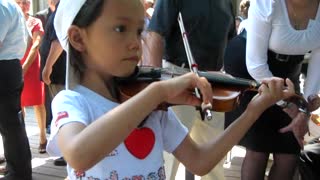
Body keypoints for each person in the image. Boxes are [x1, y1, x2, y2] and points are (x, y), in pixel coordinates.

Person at [45, 0, 298, 179]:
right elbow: (79, 154)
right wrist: (157, 92)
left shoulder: (152, 109)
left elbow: (200, 162)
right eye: (121, 28)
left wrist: (251, 113)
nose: (136, 43)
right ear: (78, 38)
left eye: (139, 30)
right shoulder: (72, 101)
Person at [225, 0, 320, 179]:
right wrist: (288, 105)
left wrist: (305, 108)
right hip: (250, 68)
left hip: (289, 70)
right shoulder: (267, 3)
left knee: (290, 151)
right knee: (258, 149)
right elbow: (256, 65)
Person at [142, 0, 236, 179]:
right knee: (169, 158)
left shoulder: (228, 3)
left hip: (214, 81)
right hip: (178, 77)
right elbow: (155, 34)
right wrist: (154, 91)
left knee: (215, 156)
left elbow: (229, 40)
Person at [0, 0, 32, 179]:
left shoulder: (2, 6)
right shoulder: (12, 6)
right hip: (10, 66)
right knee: (12, 124)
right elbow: (27, 39)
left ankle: (18, 173)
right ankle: (19, 170)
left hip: (3, 68)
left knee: (10, 125)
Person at [15, 0, 47, 154]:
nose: (23, 5)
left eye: (26, 2)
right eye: (19, 2)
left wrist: (25, 67)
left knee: (38, 102)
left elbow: (36, 44)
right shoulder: (12, 20)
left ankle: (42, 137)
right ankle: (22, 138)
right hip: (15, 64)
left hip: (32, 66)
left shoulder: (35, 21)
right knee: (18, 103)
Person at [40, 0, 67, 166]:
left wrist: (47, 67)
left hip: (58, 72)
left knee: (63, 113)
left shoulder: (61, 10)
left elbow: (58, 41)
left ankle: (67, 151)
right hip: (56, 73)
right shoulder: (54, 10)